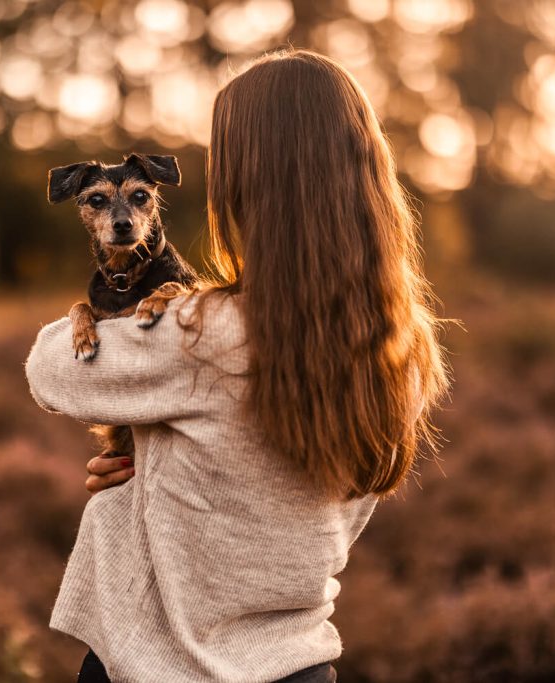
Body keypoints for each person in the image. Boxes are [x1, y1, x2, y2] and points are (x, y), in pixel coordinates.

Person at [25, 48, 450, 683]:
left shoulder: (201, 331)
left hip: (155, 667)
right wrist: (158, 470)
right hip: (300, 665)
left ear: (247, 187)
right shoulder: (402, 347)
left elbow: (50, 370)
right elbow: (316, 502)